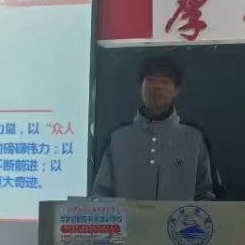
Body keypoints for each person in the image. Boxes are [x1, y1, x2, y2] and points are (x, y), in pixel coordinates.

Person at [92, 56, 220, 201]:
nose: (157, 87)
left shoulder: (195, 139)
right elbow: (100, 195)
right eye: (151, 80)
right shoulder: (117, 139)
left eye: (165, 81)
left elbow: (207, 195)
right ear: (140, 87)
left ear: (176, 90)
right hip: (127, 217)